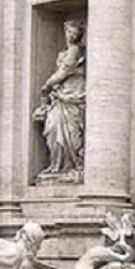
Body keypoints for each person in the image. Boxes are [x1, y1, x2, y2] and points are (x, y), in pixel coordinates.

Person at [33, 19, 86, 178]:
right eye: (69, 32)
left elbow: (65, 71)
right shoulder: (64, 52)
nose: (71, 35)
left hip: (73, 93)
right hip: (61, 96)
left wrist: (47, 84)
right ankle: (57, 164)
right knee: (53, 127)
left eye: (74, 32)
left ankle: (74, 163)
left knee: (72, 131)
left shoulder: (75, 50)